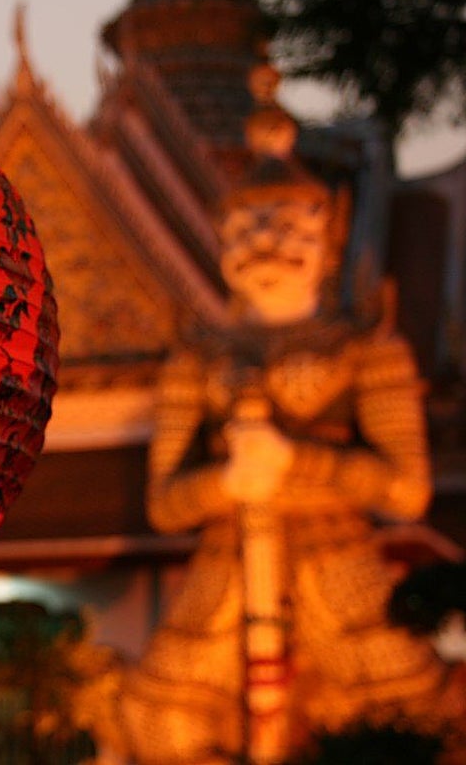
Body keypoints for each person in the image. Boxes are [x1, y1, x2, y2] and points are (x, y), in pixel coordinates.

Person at [108, 64, 458, 765]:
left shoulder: (366, 350)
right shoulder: (196, 360)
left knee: (412, 725)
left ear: (324, 239)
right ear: (224, 243)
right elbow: (167, 504)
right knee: (157, 726)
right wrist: (231, 482)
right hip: (225, 571)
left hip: (343, 573)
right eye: (248, 227)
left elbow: (407, 490)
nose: (266, 242)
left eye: (285, 225)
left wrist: (294, 460)